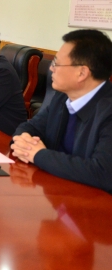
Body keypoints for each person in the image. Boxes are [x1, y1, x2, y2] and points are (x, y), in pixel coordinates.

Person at [11, 29, 112, 193]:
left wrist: (38, 155)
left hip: (94, 203)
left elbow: (102, 172)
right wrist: (23, 141)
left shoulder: (108, 111)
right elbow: (30, 127)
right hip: (57, 192)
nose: (51, 69)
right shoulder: (62, 97)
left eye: (56, 63)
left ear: (82, 73)